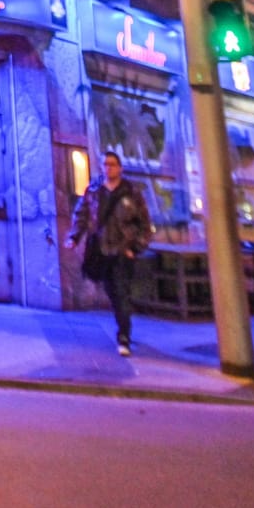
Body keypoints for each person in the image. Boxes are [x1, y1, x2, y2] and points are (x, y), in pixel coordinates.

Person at [67, 151, 154, 357]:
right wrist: (74, 237)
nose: (109, 168)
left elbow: (144, 223)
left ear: (120, 168)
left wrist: (136, 248)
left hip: (123, 251)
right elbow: (82, 214)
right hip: (102, 249)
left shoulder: (131, 192)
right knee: (113, 292)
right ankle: (122, 323)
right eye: (106, 164)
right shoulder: (95, 190)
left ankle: (124, 336)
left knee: (121, 291)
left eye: (113, 165)